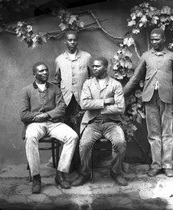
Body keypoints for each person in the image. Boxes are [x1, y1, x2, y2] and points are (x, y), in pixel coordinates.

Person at [123, 28, 173, 177]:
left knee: (167, 133)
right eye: (152, 39)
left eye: (157, 39)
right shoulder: (146, 56)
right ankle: (156, 165)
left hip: (167, 99)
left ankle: (167, 165)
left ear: (163, 40)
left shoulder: (171, 56)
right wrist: (122, 93)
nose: (154, 42)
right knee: (153, 133)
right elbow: (136, 77)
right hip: (150, 99)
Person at [20, 62, 78, 193]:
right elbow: (23, 115)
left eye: (46, 70)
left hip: (54, 123)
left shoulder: (55, 89)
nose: (45, 72)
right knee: (30, 137)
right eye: (41, 71)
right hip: (35, 124)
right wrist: (37, 116)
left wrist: (46, 115)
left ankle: (60, 174)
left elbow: (62, 108)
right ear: (34, 74)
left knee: (72, 136)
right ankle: (36, 178)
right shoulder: (27, 90)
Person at [71, 57, 128, 186]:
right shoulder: (88, 84)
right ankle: (85, 173)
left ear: (106, 67)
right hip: (92, 123)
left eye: (97, 66)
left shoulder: (115, 84)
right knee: (84, 144)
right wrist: (105, 102)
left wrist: (99, 109)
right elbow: (84, 104)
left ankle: (116, 172)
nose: (94, 68)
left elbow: (120, 107)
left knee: (120, 142)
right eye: (94, 66)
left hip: (112, 123)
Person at [54, 30, 92, 170]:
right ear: (65, 41)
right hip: (67, 101)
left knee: (82, 133)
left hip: (82, 101)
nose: (72, 42)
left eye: (75, 40)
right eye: (69, 40)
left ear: (77, 41)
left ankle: (82, 165)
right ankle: (68, 165)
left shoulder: (86, 57)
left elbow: (93, 78)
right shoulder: (59, 59)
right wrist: (60, 100)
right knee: (69, 134)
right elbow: (57, 81)